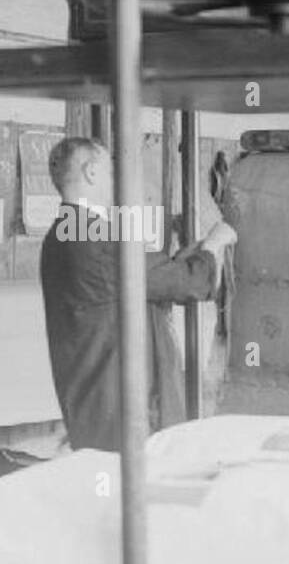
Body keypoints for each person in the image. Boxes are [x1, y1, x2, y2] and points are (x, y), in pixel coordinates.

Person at [40, 137, 238, 451]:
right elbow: (187, 283)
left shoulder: (63, 233)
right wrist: (215, 242)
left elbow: (142, 279)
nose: (114, 179)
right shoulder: (90, 236)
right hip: (122, 408)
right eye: (109, 170)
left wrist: (191, 255)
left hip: (95, 401)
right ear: (91, 172)